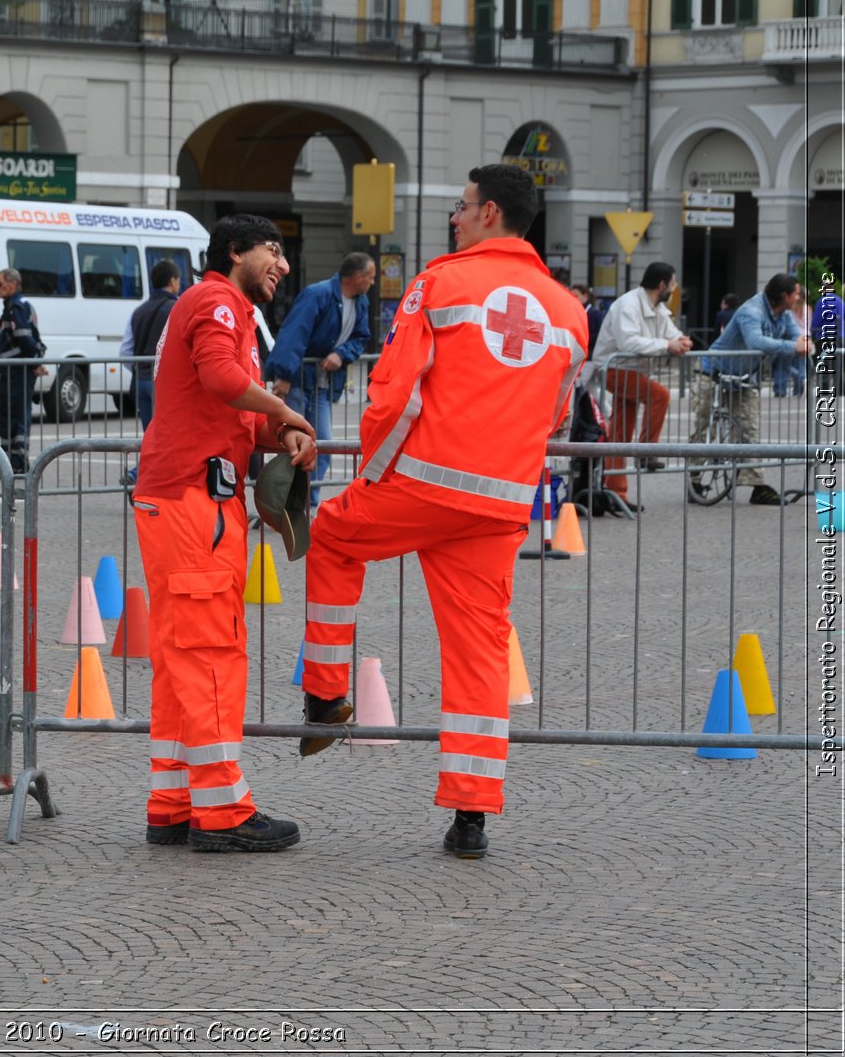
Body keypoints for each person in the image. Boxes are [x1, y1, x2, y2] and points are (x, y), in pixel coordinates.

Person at [299, 164, 589, 860]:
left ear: (489, 212)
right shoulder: (568, 311)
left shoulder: (441, 282)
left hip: (424, 485)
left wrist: (369, 473)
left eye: (461, 207)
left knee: (334, 534)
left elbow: (394, 390)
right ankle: (471, 815)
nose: (453, 218)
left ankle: (325, 697)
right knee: (480, 649)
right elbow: (554, 413)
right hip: (503, 501)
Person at [131, 213, 316, 852]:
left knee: (182, 653)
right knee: (210, 651)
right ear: (235, 251)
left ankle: (174, 801)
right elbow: (220, 379)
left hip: (180, 497)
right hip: (193, 503)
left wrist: (276, 431)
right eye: (274, 250)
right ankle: (224, 812)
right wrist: (288, 411)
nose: (283, 265)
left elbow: (229, 408)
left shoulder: (215, 303)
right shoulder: (217, 301)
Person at [264, 251, 375, 510]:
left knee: (321, 443)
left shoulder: (360, 302)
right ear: (357, 277)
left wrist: (340, 354)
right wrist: (285, 375)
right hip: (300, 380)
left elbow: (361, 337)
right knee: (295, 443)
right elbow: (296, 334)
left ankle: (305, 502)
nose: (372, 283)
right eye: (369, 278)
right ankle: (290, 503)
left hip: (322, 383)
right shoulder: (318, 294)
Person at [693, 273, 812, 505]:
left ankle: (757, 485)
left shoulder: (784, 314)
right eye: (796, 292)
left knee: (750, 429)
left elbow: (795, 335)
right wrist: (793, 347)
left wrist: (804, 341)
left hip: (744, 376)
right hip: (713, 370)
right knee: (704, 425)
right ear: (784, 295)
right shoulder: (752, 311)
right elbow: (755, 341)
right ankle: (695, 479)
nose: (799, 296)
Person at [584, 262, 692, 510]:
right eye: (673, 284)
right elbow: (628, 341)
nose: (674, 289)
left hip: (629, 370)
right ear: (663, 285)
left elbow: (671, 332)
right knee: (660, 396)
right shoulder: (629, 305)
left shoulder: (657, 307)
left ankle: (616, 492)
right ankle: (645, 451)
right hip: (613, 369)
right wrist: (668, 345)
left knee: (621, 432)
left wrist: (680, 340)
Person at [118, 260, 182, 484]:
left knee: (151, 435)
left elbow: (125, 351)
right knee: (165, 437)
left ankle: (148, 481)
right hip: (162, 383)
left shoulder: (139, 311)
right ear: (173, 281)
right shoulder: (178, 308)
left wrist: (139, 370)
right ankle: (139, 475)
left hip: (140, 380)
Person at [0, 267, 44, 473]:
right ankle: (8, 460)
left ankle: (17, 461)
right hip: (12, 370)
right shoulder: (13, 306)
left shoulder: (16, 307)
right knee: (8, 415)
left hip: (17, 371)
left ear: (12, 285)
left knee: (16, 416)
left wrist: (34, 361)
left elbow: (25, 339)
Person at [774, 285, 812, 396]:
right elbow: (809, 325)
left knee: (783, 365)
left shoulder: (791, 309)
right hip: (805, 338)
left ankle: (780, 389)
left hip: (791, 338)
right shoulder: (808, 308)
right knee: (800, 365)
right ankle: (799, 387)